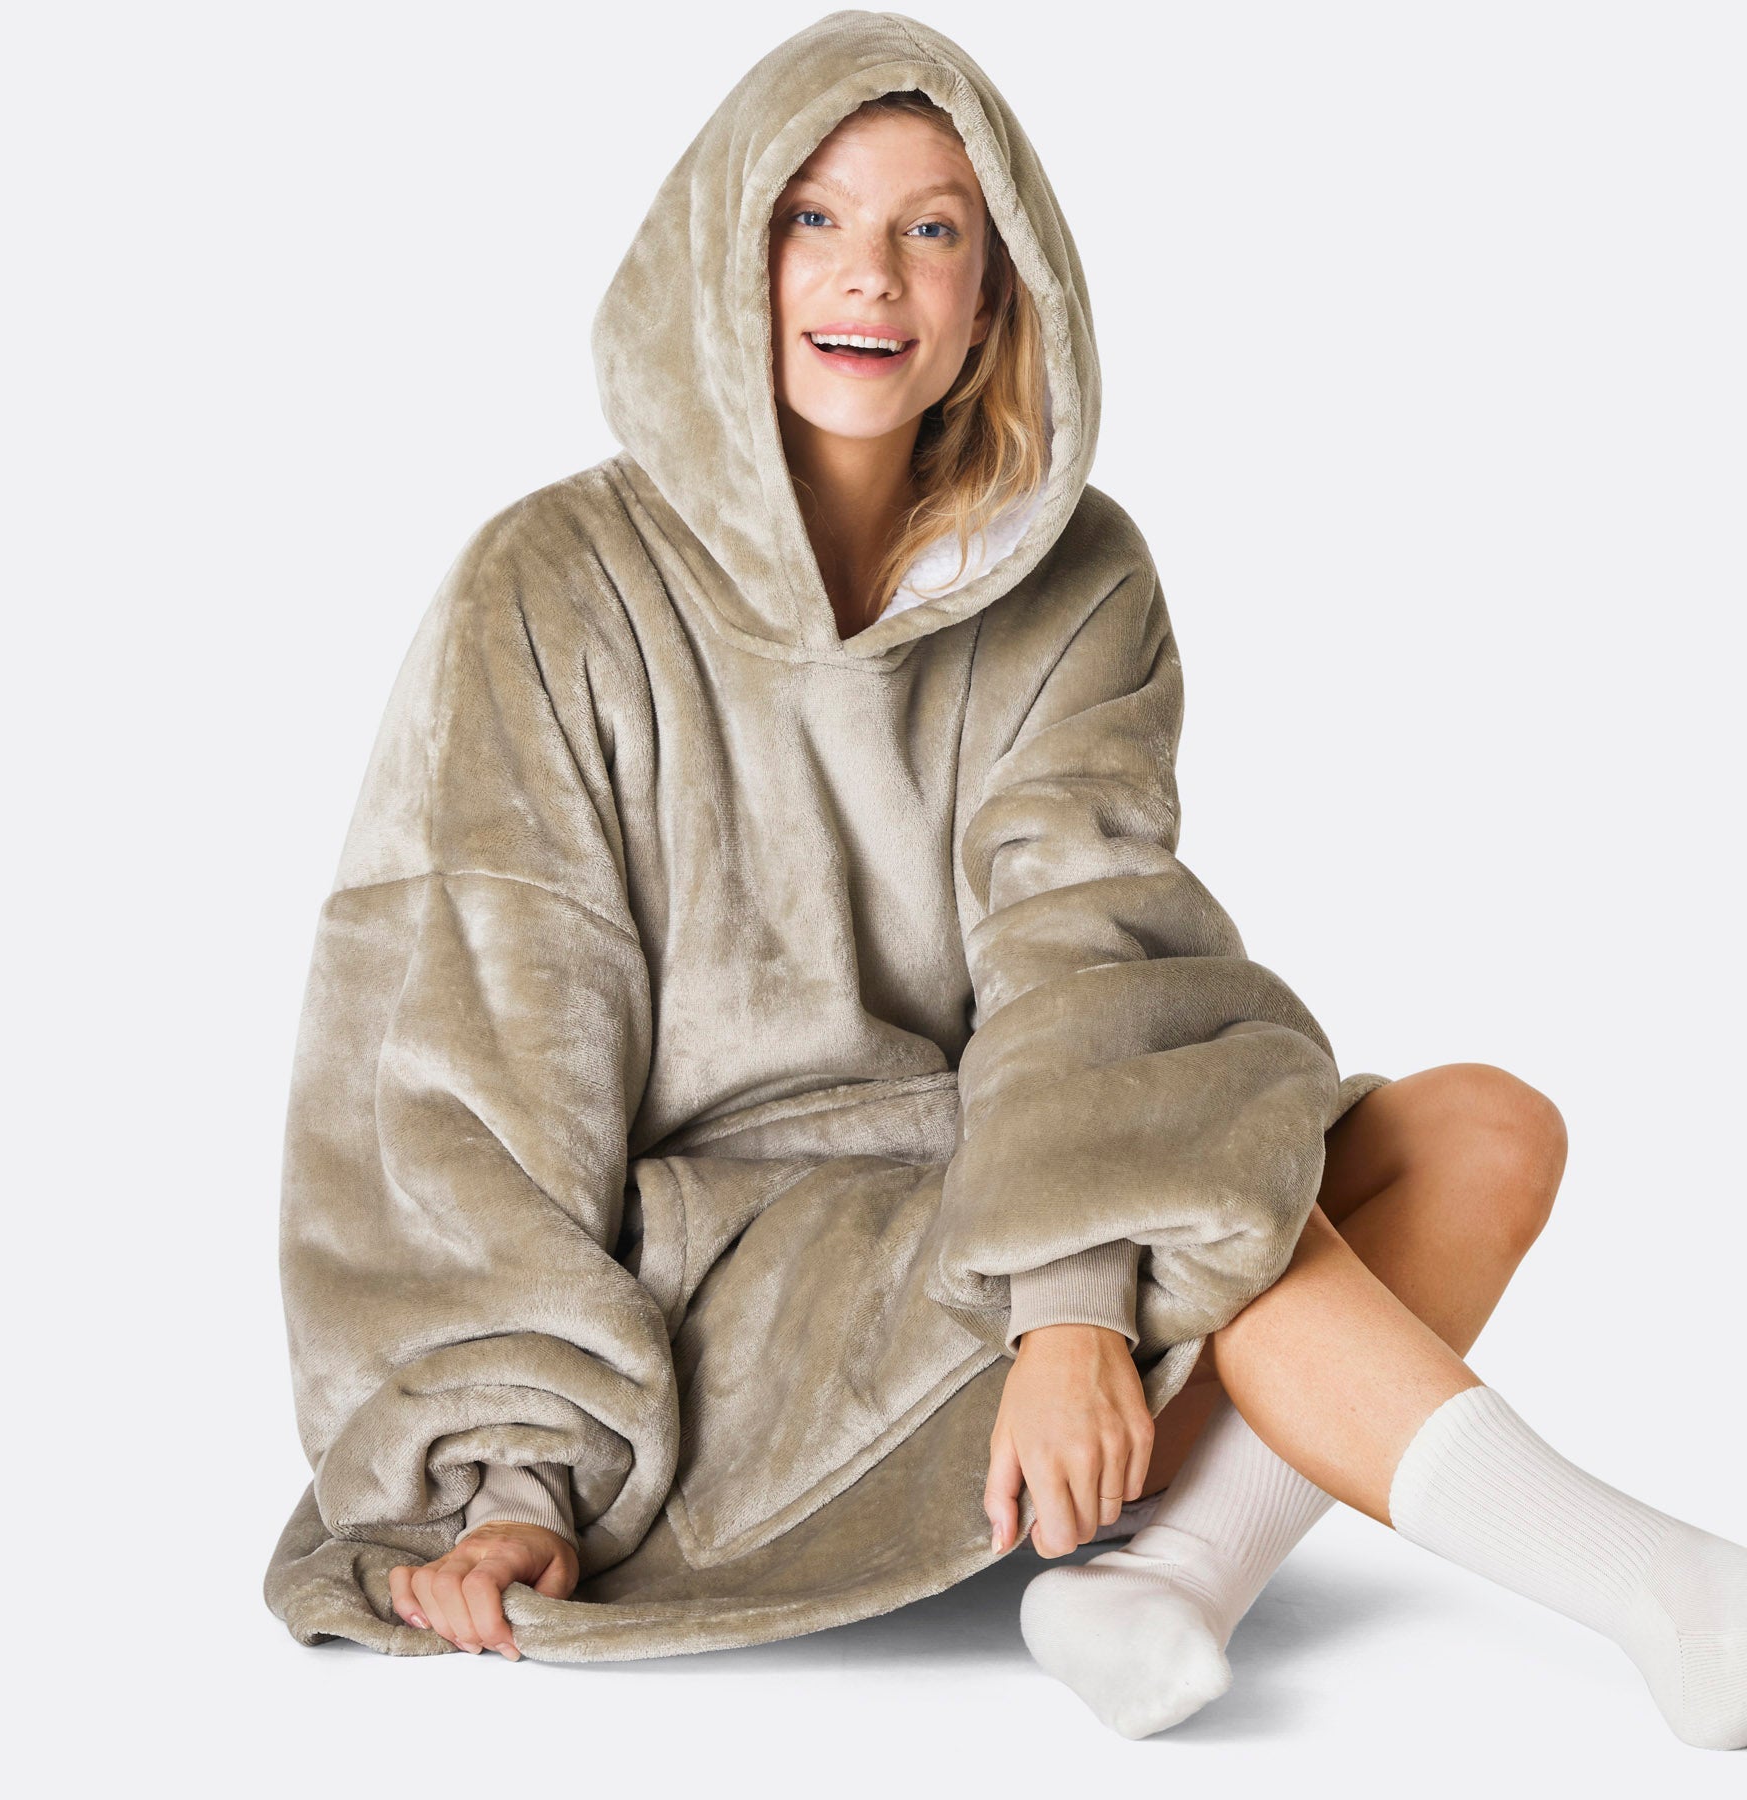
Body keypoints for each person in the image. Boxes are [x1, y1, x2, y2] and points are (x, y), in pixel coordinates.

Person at [265, 13, 1745, 1749]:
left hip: (1007, 1182)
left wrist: (1070, 1305)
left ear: (993, 293)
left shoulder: (1083, 573)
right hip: (744, 1295)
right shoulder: (552, 582)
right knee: (1209, 1199)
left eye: (932, 226)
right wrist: (511, 1472)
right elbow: (461, 1063)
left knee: (1485, 1128)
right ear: (726, 256)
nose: (869, 274)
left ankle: (1169, 1583)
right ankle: (1669, 1587)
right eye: (812, 217)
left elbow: (1084, 944)